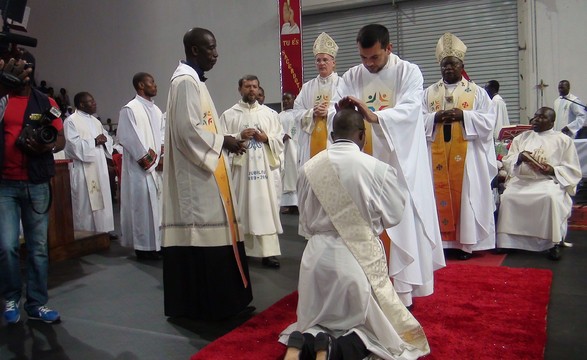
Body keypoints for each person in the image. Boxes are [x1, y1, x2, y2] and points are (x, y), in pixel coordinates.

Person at [280, 109, 430, 360]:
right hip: (356, 260)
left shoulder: (308, 168)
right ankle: (334, 350)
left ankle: (303, 343)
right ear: (362, 135)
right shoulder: (377, 168)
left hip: (315, 260)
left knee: (316, 319)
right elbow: (394, 215)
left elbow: (304, 219)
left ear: (331, 134)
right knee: (372, 331)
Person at [336, 24, 444, 308]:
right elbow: (343, 108)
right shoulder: (352, 75)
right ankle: (365, 287)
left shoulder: (409, 72)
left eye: (375, 57)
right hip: (363, 161)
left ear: (388, 48)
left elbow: (410, 111)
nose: (369, 64)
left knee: (401, 221)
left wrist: (374, 117)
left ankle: (402, 292)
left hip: (400, 162)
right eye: (363, 58)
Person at [161, 27, 253, 320]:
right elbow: (188, 131)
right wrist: (222, 141)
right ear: (195, 50)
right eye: (211, 48)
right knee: (204, 239)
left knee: (218, 236)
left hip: (208, 168)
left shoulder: (194, 81)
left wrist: (225, 139)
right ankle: (210, 307)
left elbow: (203, 126)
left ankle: (227, 301)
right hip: (197, 177)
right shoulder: (185, 82)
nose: (216, 53)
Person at [1, 57, 65, 324]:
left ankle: (37, 303)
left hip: (36, 182)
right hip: (5, 183)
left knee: (38, 248)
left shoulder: (47, 103)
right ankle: (11, 298)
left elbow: (60, 138)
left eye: (24, 69)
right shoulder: (3, 100)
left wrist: (45, 146)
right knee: (7, 246)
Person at [422, 32, 497, 260]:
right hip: (435, 152)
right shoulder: (429, 92)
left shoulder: (477, 93)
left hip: (467, 155)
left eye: (452, 64)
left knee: (466, 194)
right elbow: (417, 119)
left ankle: (464, 243)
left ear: (461, 65)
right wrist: (434, 118)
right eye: (444, 65)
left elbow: (488, 121)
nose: (448, 69)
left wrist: (463, 115)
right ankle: (441, 243)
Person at [497, 107, 581, 260]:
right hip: (522, 181)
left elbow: (572, 169)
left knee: (549, 197)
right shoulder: (521, 138)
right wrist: (520, 158)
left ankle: (552, 243)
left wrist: (553, 170)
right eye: (535, 116)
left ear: (552, 122)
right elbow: (508, 160)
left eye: (542, 117)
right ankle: (509, 241)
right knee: (508, 197)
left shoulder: (563, 140)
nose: (536, 120)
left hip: (547, 182)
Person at [220, 75, 284, 268]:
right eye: (247, 86)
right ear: (240, 89)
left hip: (264, 171)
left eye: (255, 86)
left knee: (266, 208)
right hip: (242, 172)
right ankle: (243, 250)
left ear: (259, 89)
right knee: (242, 207)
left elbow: (279, 138)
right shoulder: (229, 115)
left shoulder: (270, 114)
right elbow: (220, 140)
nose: (252, 90)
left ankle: (268, 253)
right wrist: (239, 135)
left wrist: (266, 138)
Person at [117, 72, 165, 260]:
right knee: (142, 208)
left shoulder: (156, 110)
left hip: (156, 167)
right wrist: (150, 161)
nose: (155, 85)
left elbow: (162, 135)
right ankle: (143, 247)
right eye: (151, 82)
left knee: (157, 208)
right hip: (140, 170)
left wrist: (162, 156)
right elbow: (129, 138)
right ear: (140, 86)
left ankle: (157, 245)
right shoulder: (130, 109)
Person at [64, 92, 115, 234]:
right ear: (81, 104)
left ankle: (103, 231)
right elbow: (72, 146)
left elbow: (107, 138)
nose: (94, 103)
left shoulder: (96, 121)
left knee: (102, 197)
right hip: (83, 168)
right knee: (85, 201)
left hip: (99, 165)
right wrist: (94, 141)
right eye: (91, 101)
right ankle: (85, 232)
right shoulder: (71, 121)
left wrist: (105, 140)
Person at [294, 32, 341, 169]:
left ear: (333, 62)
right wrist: (311, 112)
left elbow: (349, 111)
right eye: (318, 60)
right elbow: (296, 112)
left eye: (325, 60)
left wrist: (329, 112)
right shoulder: (307, 87)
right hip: (311, 142)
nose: (321, 63)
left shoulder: (342, 84)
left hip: (332, 141)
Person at [279, 92, 298, 214]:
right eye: (283, 99)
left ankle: (298, 204)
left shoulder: (298, 114)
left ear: (294, 99)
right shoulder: (278, 116)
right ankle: (289, 204)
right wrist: (281, 136)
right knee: (285, 175)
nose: (285, 101)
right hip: (282, 148)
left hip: (295, 147)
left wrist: (290, 134)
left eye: (288, 98)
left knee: (295, 173)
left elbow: (298, 128)